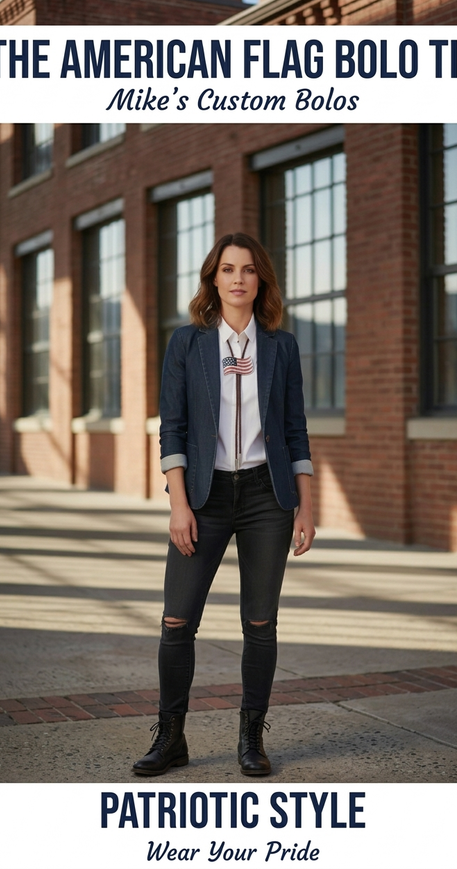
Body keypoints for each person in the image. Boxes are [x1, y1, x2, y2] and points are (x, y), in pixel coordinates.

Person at [133, 232, 315, 778]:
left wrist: (305, 507)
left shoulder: (281, 347)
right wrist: (179, 504)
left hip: (267, 497)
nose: (239, 279)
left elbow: (295, 430)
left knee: (260, 622)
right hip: (204, 500)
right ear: (214, 278)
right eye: (229, 269)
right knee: (176, 620)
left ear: (262, 281)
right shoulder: (186, 344)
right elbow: (174, 428)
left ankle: (251, 740)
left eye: (250, 270)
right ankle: (171, 739)